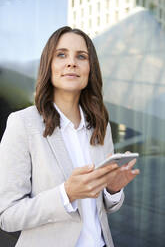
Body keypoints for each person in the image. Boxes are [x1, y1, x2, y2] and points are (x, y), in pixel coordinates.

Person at [0, 26, 140, 247]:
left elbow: (106, 207)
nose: (71, 62)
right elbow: (7, 215)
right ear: (49, 65)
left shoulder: (100, 125)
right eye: (61, 54)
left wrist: (113, 189)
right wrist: (66, 194)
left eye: (81, 56)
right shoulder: (22, 124)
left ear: (90, 69)